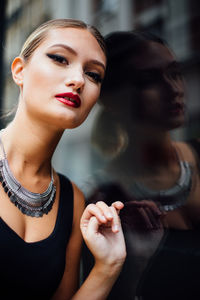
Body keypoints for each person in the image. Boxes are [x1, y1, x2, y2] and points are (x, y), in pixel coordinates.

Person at [0, 19, 127, 300]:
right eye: (60, 59)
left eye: (94, 75)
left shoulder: (73, 201)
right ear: (20, 71)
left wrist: (108, 265)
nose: (79, 80)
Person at [82, 31, 200, 300]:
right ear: (112, 100)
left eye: (174, 73)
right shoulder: (102, 203)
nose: (174, 89)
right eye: (149, 81)